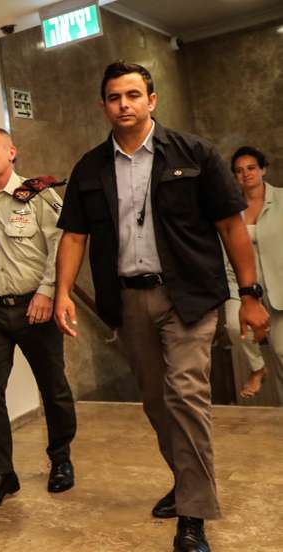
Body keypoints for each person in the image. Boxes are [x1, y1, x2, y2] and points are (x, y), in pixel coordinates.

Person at [54, 61, 270, 552]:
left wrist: (251, 296)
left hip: (188, 298)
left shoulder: (194, 154)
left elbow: (232, 228)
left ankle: (193, 515)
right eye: (114, 97)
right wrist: (63, 291)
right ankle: (186, 480)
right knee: (155, 402)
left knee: (186, 396)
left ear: (152, 100)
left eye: (133, 95)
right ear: (103, 105)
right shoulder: (90, 166)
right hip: (127, 301)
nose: (124, 104)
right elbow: (73, 236)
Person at [0, 127, 77, 511]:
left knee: (52, 385)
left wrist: (47, 292)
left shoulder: (39, 195)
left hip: (33, 304)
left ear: (11, 152)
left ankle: (60, 457)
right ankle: (2, 474)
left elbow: (61, 245)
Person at [223, 146, 283, 402]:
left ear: (263, 169)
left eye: (251, 168)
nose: (245, 174)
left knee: (282, 353)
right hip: (244, 287)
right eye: (238, 171)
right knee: (235, 325)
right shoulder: (230, 209)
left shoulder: (281, 200)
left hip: (280, 288)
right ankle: (258, 369)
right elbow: (227, 253)